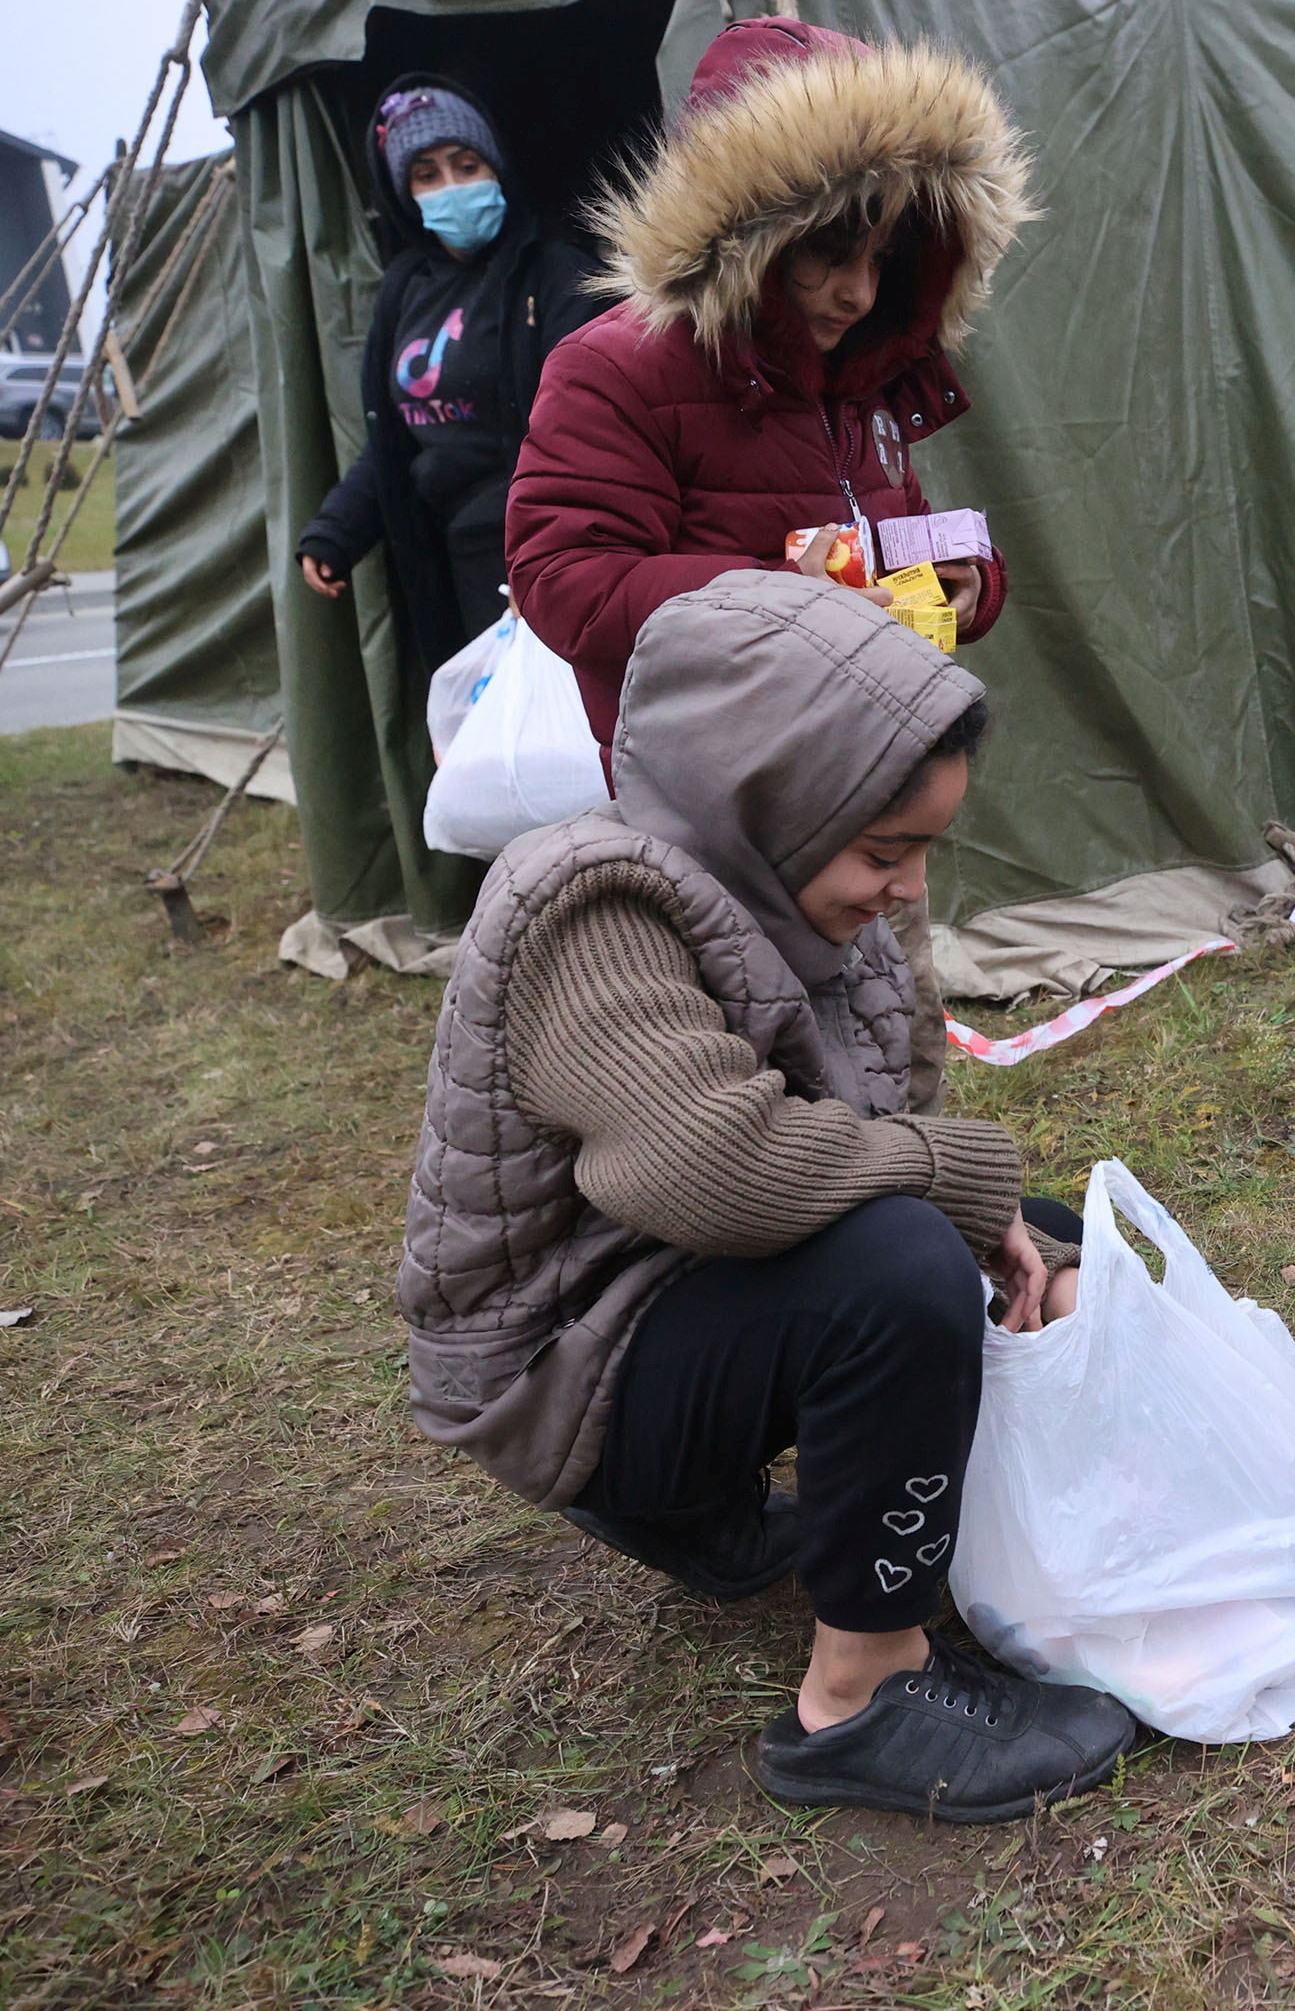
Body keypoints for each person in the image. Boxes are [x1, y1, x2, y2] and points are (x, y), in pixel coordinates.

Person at [397, 569, 1139, 1821]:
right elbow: (718, 1167)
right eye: (883, 849)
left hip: (675, 1290)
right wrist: (952, 1202)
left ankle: (734, 1515)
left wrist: (1006, 1239)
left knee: (1051, 1240)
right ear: (762, 805)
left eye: (923, 852)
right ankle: (859, 1698)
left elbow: (894, 1126)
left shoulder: (833, 916)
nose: (909, 887)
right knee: (902, 1268)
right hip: (563, 1362)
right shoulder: (589, 902)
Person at [509, 20, 1027, 754]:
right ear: (746, 233)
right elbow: (568, 585)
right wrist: (778, 598)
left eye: (882, 259)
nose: (861, 295)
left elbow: (890, 527)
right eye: (832, 252)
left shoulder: (857, 375)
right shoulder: (614, 367)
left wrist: (967, 582)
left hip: (867, 760)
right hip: (714, 782)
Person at [296, 78, 599, 679]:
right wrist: (337, 530)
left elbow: (589, 433)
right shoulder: (404, 290)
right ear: (404, 193)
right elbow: (394, 437)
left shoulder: (557, 274)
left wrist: (542, 562)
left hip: (549, 549)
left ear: (497, 166)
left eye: (467, 165)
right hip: (449, 559)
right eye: (426, 175)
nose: (451, 188)